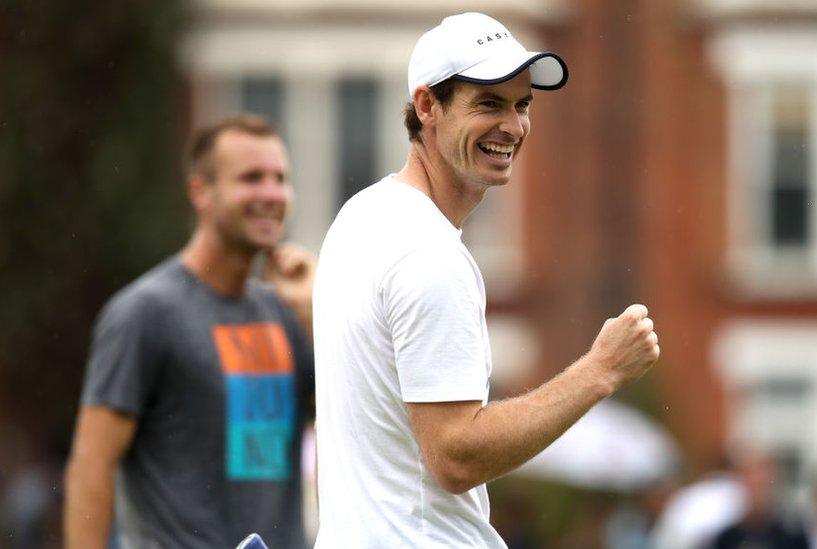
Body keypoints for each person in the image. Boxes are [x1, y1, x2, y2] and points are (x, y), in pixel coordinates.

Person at [312, 12, 661, 547]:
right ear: (427, 106)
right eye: (489, 104)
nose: (514, 127)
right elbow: (456, 455)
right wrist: (601, 371)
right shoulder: (427, 252)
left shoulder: (360, 217)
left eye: (522, 105)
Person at [64, 115, 316, 549]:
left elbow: (352, 422)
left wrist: (318, 316)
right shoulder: (144, 313)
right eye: (251, 178)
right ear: (201, 191)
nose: (271, 194)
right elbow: (92, 465)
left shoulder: (289, 313)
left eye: (280, 178)